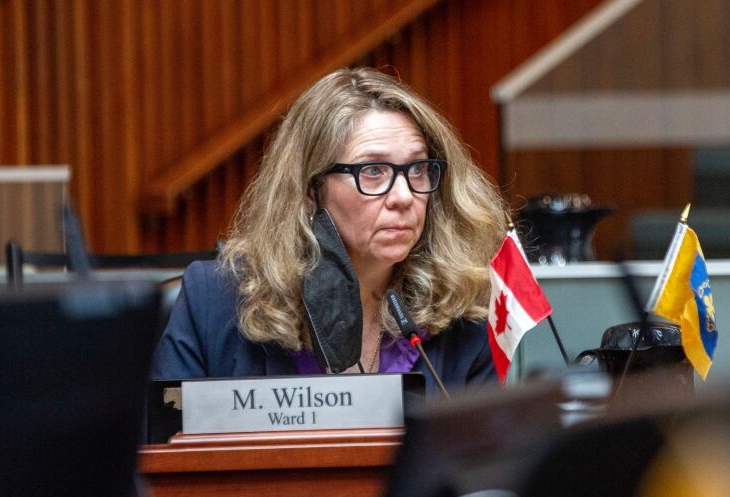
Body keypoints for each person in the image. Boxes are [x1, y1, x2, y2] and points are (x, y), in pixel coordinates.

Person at [151, 67, 506, 393]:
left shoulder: (461, 310)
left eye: (417, 169)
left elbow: (489, 459)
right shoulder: (215, 301)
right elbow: (165, 448)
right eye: (373, 171)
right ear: (310, 191)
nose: (404, 196)